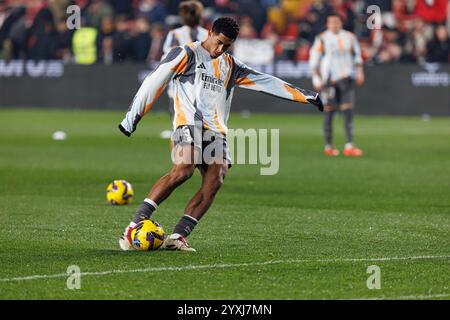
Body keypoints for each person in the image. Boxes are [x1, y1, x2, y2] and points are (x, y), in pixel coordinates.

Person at [118, 17, 323, 252]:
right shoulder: (186, 54)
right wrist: (131, 119)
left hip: (216, 131)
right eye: (219, 42)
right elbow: (153, 82)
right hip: (188, 124)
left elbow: (266, 81)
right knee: (184, 169)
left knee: (216, 178)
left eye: (227, 46)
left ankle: (177, 237)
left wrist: (305, 96)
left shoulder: (231, 65)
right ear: (209, 32)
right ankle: (134, 225)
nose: (220, 49)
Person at [309, 13, 364, 157]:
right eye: (332, 22)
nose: (335, 25)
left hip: (346, 78)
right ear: (327, 24)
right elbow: (314, 58)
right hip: (329, 80)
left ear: (341, 23)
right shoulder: (322, 38)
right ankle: (328, 146)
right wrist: (316, 77)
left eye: (337, 22)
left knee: (348, 111)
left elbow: (357, 56)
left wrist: (359, 72)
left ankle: (349, 145)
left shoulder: (350, 37)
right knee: (329, 112)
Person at [160, 0, 208, 139]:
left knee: (179, 122)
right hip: (201, 84)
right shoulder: (207, 35)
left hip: (181, 84)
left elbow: (168, 58)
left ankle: (181, 152)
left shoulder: (175, 34)